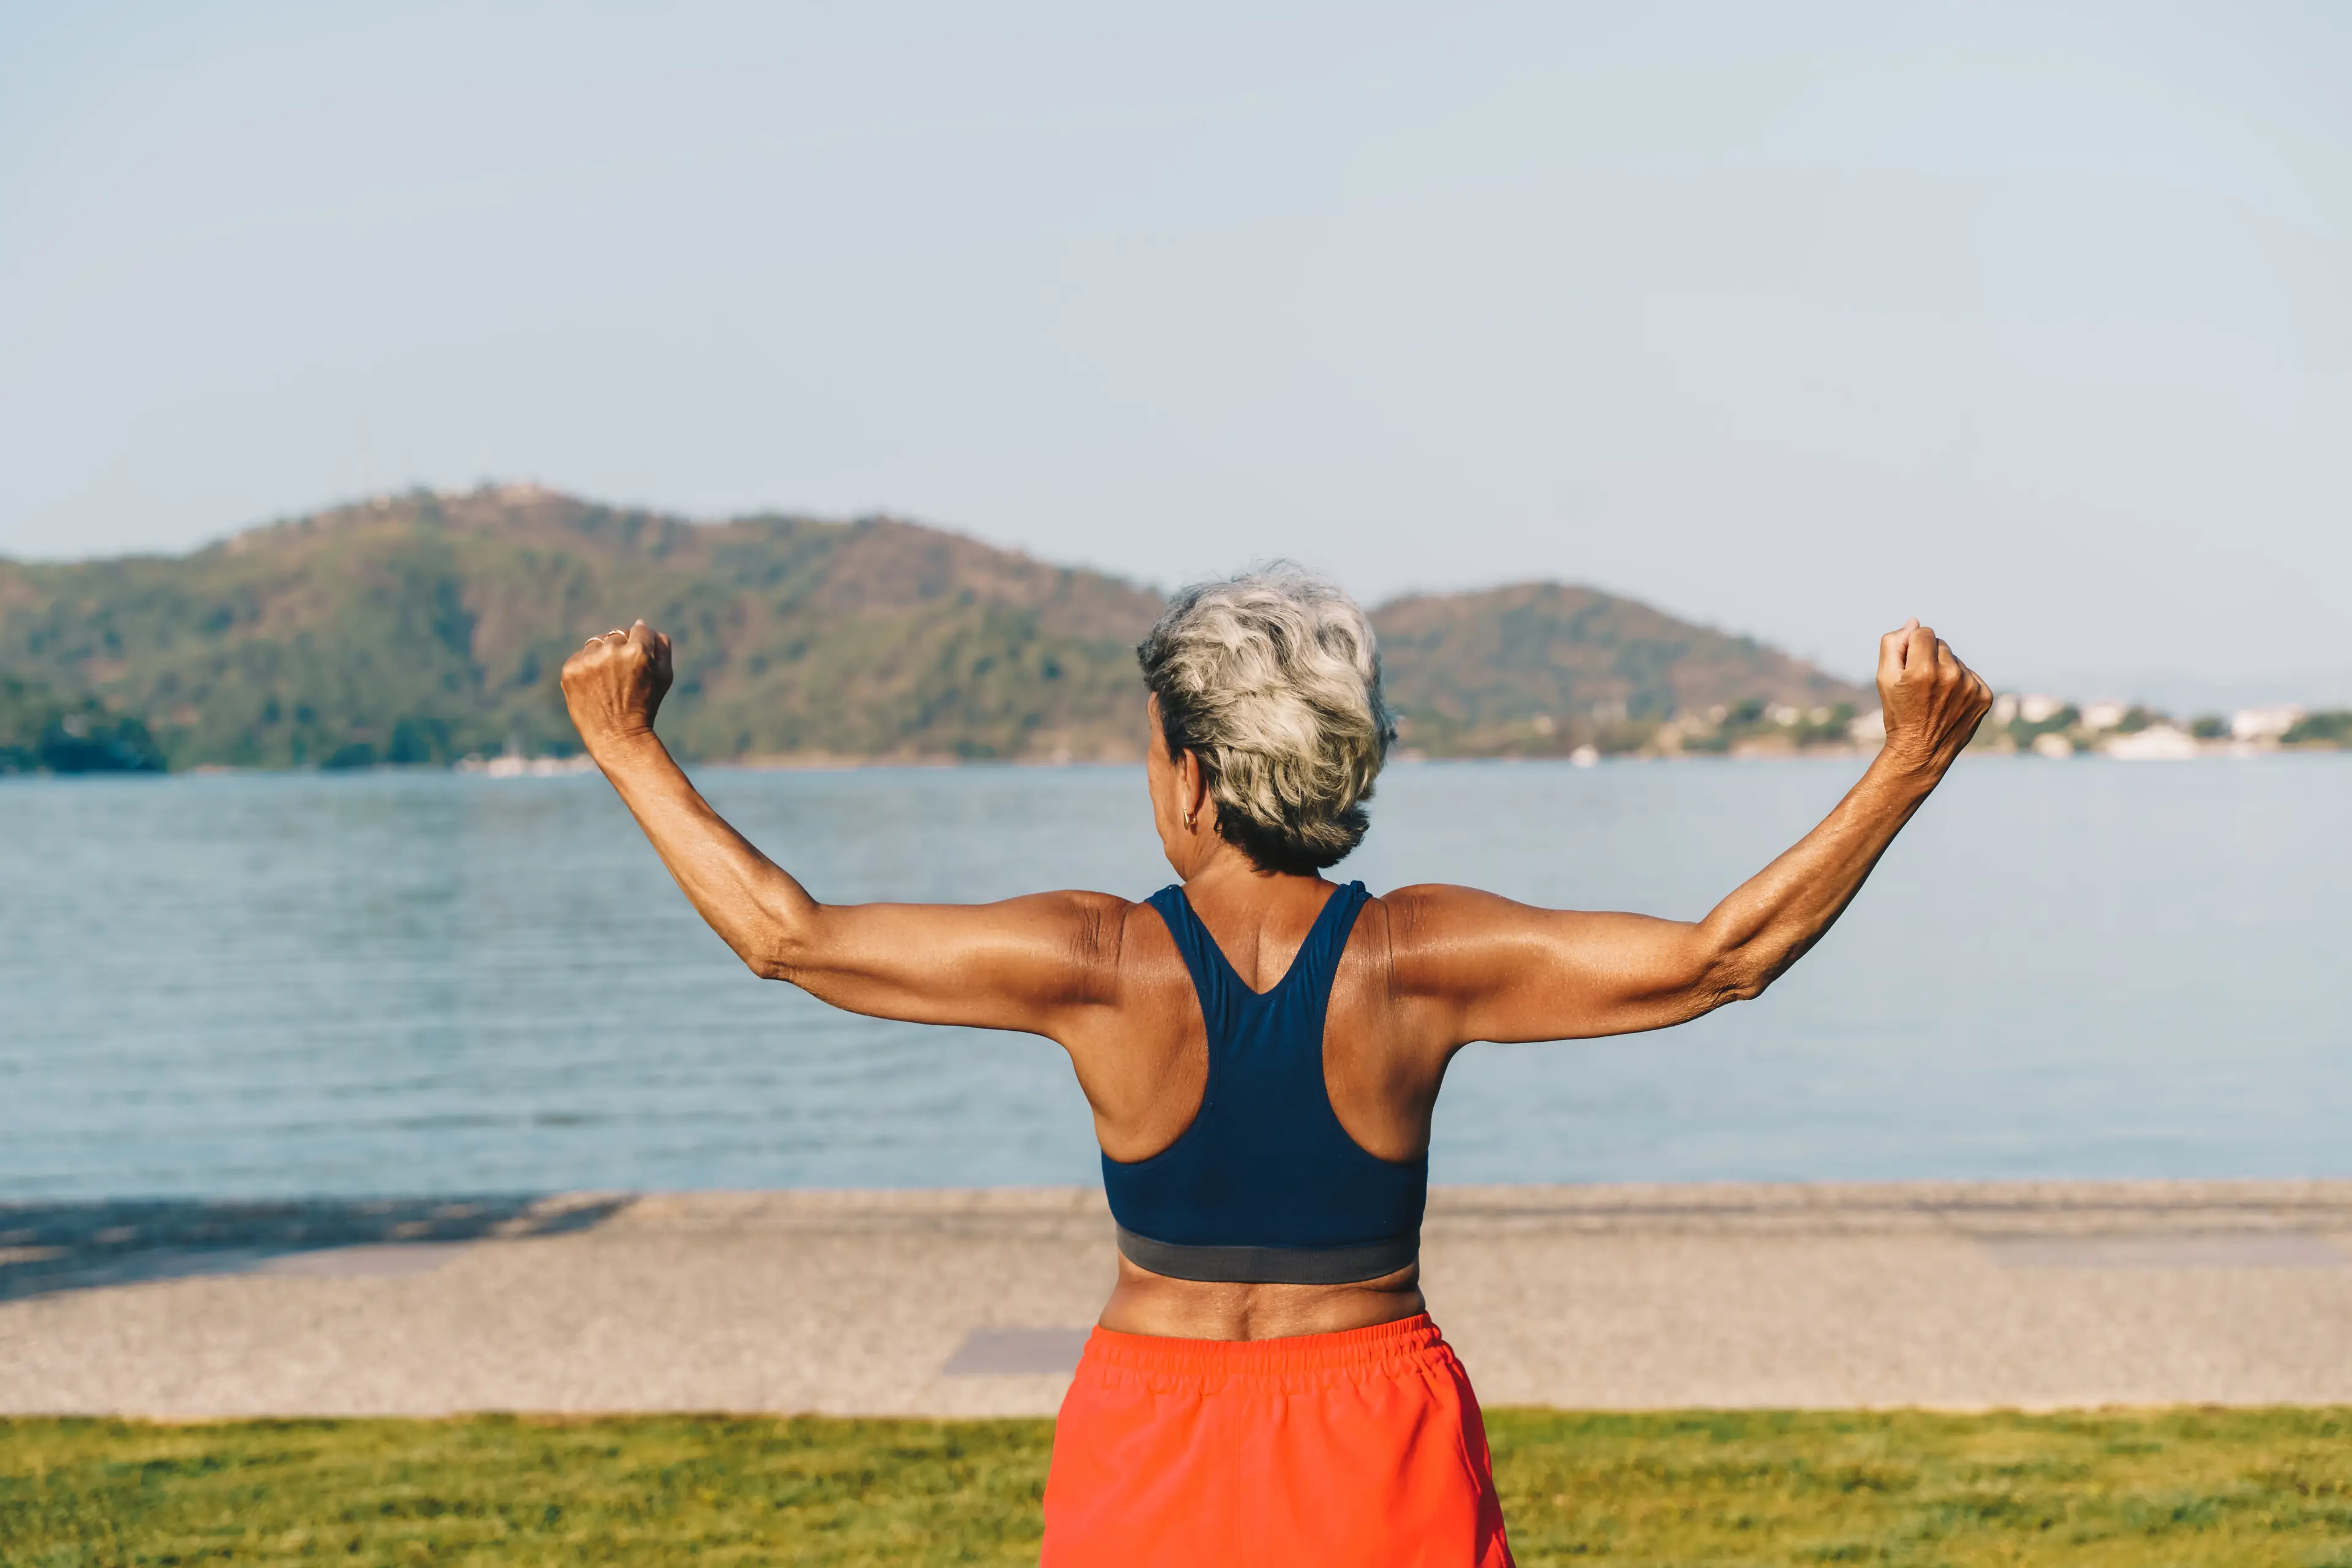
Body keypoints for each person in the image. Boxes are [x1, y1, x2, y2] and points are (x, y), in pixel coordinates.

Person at [559, 565, 1991, 1568]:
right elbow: (1721, 954)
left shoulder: (1100, 958)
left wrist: (628, 744)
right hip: (1375, 1420)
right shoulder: (1416, 956)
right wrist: (1907, 762)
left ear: (1190, 772)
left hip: (1150, 1422)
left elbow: (787, 935)